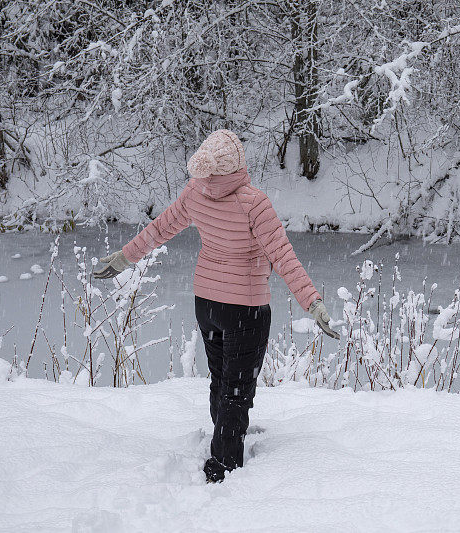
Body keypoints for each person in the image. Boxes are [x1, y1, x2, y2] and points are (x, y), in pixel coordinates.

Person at [93, 129, 338, 483]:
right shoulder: (254, 203)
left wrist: (123, 258)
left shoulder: (195, 192)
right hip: (245, 308)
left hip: (207, 304)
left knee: (222, 379)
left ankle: (225, 432)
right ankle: (222, 464)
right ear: (237, 164)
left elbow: (160, 229)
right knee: (237, 389)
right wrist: (313, 303)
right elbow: (284, 257)